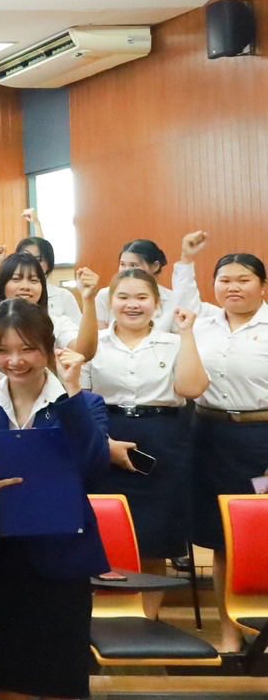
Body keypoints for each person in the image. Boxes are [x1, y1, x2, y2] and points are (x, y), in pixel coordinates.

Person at [0, 300, 110, 700]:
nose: (15, 361)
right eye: (3, 351)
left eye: (27, 349)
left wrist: (72, 393)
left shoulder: (83, 403)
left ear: (49, 348)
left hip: (61, 559)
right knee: (8, 677)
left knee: (62, 677)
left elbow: (94, 465)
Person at [71, 266, 204, 619]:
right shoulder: (94, 343)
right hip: (104, 434)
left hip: (162, 437)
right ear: (111, 302)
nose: (133, 304)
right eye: (124, 297)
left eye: (142, 297)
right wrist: (105, 444)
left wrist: (187, 334)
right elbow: (79, 399)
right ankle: (102, 618)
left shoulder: (175, 341)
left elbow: (191, 389)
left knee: (154, 538)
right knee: (103, 530)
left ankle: (148, 619)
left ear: (157, 304)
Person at [183, 247, 268, 653]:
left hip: (261, 439)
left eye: (243, 280)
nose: (233, 287)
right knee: (222, 540)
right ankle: (230, 631)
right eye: (225, 280)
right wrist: (186, 260)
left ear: (262, 286)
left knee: (262, 537)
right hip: (210, 436)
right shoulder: (202, 326)